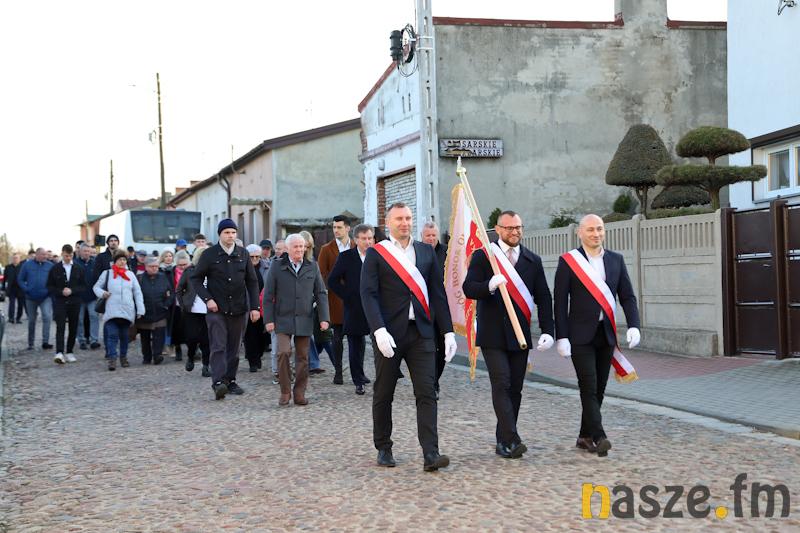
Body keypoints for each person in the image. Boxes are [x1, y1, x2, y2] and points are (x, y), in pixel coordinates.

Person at [360, 202, 457, 471]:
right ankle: (384, 446)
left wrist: (447, 331)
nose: (405, 223)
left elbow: (438, 294)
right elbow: (368, 294)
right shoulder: (377, 254)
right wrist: (378, 329)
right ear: (388, 223)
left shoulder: (426, 252)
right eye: (399, 219)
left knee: (427, 392)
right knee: (384, 392)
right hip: (389, 334)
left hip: (422, 333)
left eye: (408, 218)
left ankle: (431, 453)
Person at [462, 210, 555, 459]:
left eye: (518, 228)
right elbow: (468, 288)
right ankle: (512, 438)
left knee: (515, 388)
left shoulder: (532, 260)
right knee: (501, 383)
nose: (515, 232)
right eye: (510, 228)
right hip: (493, 334)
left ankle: (503, 440)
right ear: (498, 229)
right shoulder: (484, 257)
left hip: (519, 335)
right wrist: (489, 286)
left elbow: (544, 297)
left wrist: (548, 330)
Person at [554, 214, 641, 458]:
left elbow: (627, 296)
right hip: (579, 336)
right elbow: (559, 302)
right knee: (588, 385)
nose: (596, 234)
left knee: (599, 388)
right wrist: (562, 337)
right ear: (580, 233)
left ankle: (584, 436)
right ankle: (599, 435)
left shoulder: (616, 260)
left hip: (606, 334)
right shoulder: (569, 262)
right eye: (591, 230)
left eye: (600, 229)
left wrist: (634, 324)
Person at [190, 219, 261, 400]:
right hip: (217, 310)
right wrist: (208, 299)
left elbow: (252, 282)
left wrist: (255, 307)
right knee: (218, 346)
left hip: (239, 308)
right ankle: (218, 383)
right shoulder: (210, 255)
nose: (230, 236)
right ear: (220, 234)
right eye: (227, 232)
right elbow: (196, 279)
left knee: (235, 347)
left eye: (233, 232)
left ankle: (230, 380)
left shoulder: (243, 254)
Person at [263, 233, 330, 406]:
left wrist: (324, 318)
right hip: (282, 318)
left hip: (304, 318)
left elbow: (321, 293)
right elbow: (268, 295)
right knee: (283, 352)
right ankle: (285, 391)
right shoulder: (277, 266)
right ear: (288, 249)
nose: (300, 249)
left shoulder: (312, 266)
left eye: (302, 246)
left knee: (303, 357)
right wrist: (268, 319)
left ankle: (299, 392)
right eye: (296, 246)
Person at [327, 223, 374, 395]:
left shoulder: (378, 256)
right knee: (355, 344)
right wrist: (348, 295)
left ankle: (384, 375)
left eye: (370, 238)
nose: (368, 242)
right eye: (364, 239)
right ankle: (358, 380)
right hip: (354, 308)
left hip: (375, 307)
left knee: (379, 342)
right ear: (356, 240)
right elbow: (332, 280)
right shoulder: (346, 257)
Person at [317, 215, 355, 385]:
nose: (336, 230)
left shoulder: (356, 245)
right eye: (334, 227)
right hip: (335, 300)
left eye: (339, 227)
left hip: (355, 301)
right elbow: (321, 274)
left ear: (348, 228)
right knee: (337, 338)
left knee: (357, 339)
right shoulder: (327, 249)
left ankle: (357, 373)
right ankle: (338, 371)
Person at [94, 251, 144, 371]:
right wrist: (102, 293)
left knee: (124, 336)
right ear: (115, 261)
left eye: (124, 260)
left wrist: (140, 309)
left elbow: (137, 293)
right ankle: (112, 358)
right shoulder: (107, 273)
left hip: (127, 310)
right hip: (112, 310)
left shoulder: (130, 275)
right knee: (112, 335)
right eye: (120, 259)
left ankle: (123, 357)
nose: (122, 262)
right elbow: (96, 287)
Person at [421, 221, 449, 398]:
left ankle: (435, 379)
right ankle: (431, 384)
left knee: (443, 348)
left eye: (433, 235)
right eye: (428, 236)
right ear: (422, 236)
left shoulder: (447, 252)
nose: (431, 239)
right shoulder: (416, 252)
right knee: (428, 349)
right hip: (423, 309)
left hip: (444, 309)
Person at [47, 244, 88, 363]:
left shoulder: (79, 268)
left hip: (75, 302)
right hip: (60, 301)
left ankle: (69, 351)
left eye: (70, 256)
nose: (68, 258)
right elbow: (49, 286)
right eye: (66, 255)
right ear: (62, 254)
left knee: (73, 326)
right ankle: (59, 352)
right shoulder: (55, 268)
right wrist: (60, 291)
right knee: (60, 326)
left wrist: (72, 290)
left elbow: (83, 286)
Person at [176, 247, 211, 376]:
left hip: (209, 311)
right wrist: (183, 304)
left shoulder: (214, 272)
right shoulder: (190, 271)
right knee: (192, 338)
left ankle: (206, 366)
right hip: (192, 311)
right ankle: (190, 357)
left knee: (206, 340)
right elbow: (179, 289)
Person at [17, 247, 55, 350]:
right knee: (32, 320)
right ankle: (31, 343)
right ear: (37, 255)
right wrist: (26, 289)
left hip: (45, 297)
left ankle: (45, 342)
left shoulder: (50, 266)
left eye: (46, 255)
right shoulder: (27, 265)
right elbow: (20, 279)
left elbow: (54, 280)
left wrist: (49, 290)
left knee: (47, 317)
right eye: (43, 255)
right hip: (30, 297)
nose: (45, 256)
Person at [136, 257, 172, 365]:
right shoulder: (139, 278)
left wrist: (166, 305)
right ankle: (146, 357)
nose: (154, 268)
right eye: (152, 267)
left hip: (160, 312)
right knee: (145, 337)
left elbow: (171, 293)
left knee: (159, 336)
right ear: (146, 267)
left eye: (156, 266)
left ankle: (157, 355)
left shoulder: (163, 277)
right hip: (145, 313)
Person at [243, 244, 269, 372]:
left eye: (257, 257)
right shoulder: (243, 269)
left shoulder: (266, 267)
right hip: (248, 305)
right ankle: (253, 361)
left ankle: (258, 356)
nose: (254, 259)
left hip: (263, 306)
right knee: (249, 335)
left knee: (262, 335)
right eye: (251, 257)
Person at [74, 244, 100, 349]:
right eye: (84, 251)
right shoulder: (74, 264)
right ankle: (81, 340)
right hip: (78, 297)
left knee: (94, 317)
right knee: (79, 319)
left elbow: (99, 279)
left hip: (92, 296)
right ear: (80, 252)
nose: (87, 253)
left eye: (88, 251)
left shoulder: (94, 264)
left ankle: (94, 340)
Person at [2, 253, 25, 324]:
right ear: (12, 259)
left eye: (17, 258)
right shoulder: (8, 267)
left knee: (20, 304)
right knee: (11, 304)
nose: (15, 259)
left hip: (20, 288)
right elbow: (5, 278)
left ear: (19, 259)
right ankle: (11, 318)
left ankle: (18, 318)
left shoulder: (23, 267)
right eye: (14, 258)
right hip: (11, 288)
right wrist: (3, 288)